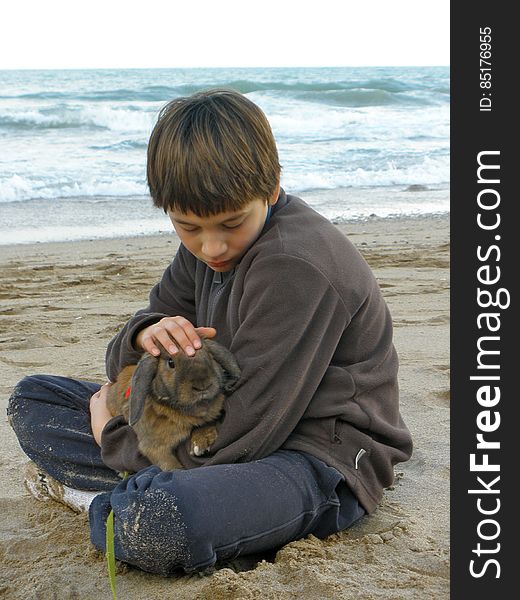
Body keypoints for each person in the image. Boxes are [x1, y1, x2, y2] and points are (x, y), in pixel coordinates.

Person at [7, 89, 413, 575]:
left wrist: (109, 432)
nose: (212, 246)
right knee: (34, 397)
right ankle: (131, 488)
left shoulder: (295, 266)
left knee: (158, 520)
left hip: (312, 455)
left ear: (273, 184)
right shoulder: (205, 249)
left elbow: (241, 437)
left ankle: (115, 494)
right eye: (187, 226)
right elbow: (123, 365)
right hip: (208, 430)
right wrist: (145, 334)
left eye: (231, 223)